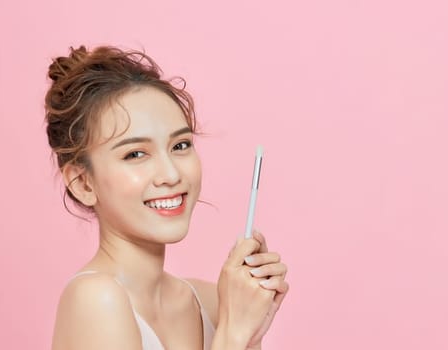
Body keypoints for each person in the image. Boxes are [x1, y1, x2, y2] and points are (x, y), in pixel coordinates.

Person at [46, 45, 290, 350]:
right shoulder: (96, 300)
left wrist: (251, 333)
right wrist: (234, 335)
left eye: (180, 145)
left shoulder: (213, 302)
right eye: (135, 154)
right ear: (83, 183)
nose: (171, 174)